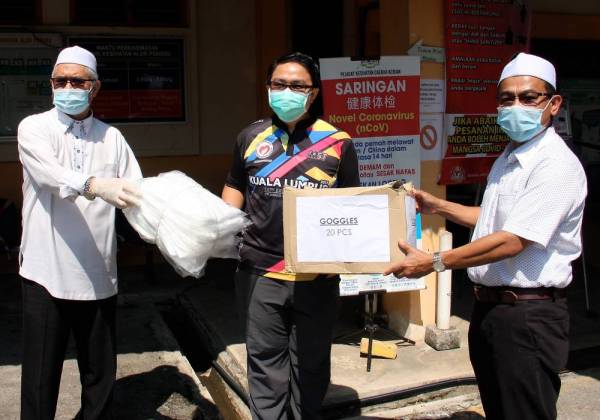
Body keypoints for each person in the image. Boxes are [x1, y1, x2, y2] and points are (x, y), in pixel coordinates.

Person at [384, 53, 587, 420]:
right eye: (506, 98)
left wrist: (433, 262)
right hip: (492, 311)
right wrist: (439, 206)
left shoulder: (555, 165)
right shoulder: (509, 156)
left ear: (554, 104)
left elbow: (513, 240)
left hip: (528, 315)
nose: (515, 106)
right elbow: (494, 220)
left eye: (528, 98)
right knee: (499, 409)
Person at [222, 52, 360, 419]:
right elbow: (235, 187)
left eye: (297, 85)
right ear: (268, 88)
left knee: (311, 367)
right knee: (265, 365)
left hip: (316, 277)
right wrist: (218, 227)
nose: (287, 91)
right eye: (279, 84)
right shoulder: (250, 137)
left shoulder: (339, 143)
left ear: (313, 93)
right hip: (259, 272)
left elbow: (353, 206)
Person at [18, 45, 142, 420]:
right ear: (51, 84)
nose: (68, 86)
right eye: (61, 80)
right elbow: (51, 175)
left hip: (97, 271)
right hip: (45, 269)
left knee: (99, 372)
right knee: (41, 376)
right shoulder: (34, 127)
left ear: (95, 87)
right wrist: (94, 184)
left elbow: (136, 192)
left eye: (78, 81)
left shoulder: (112, 137)